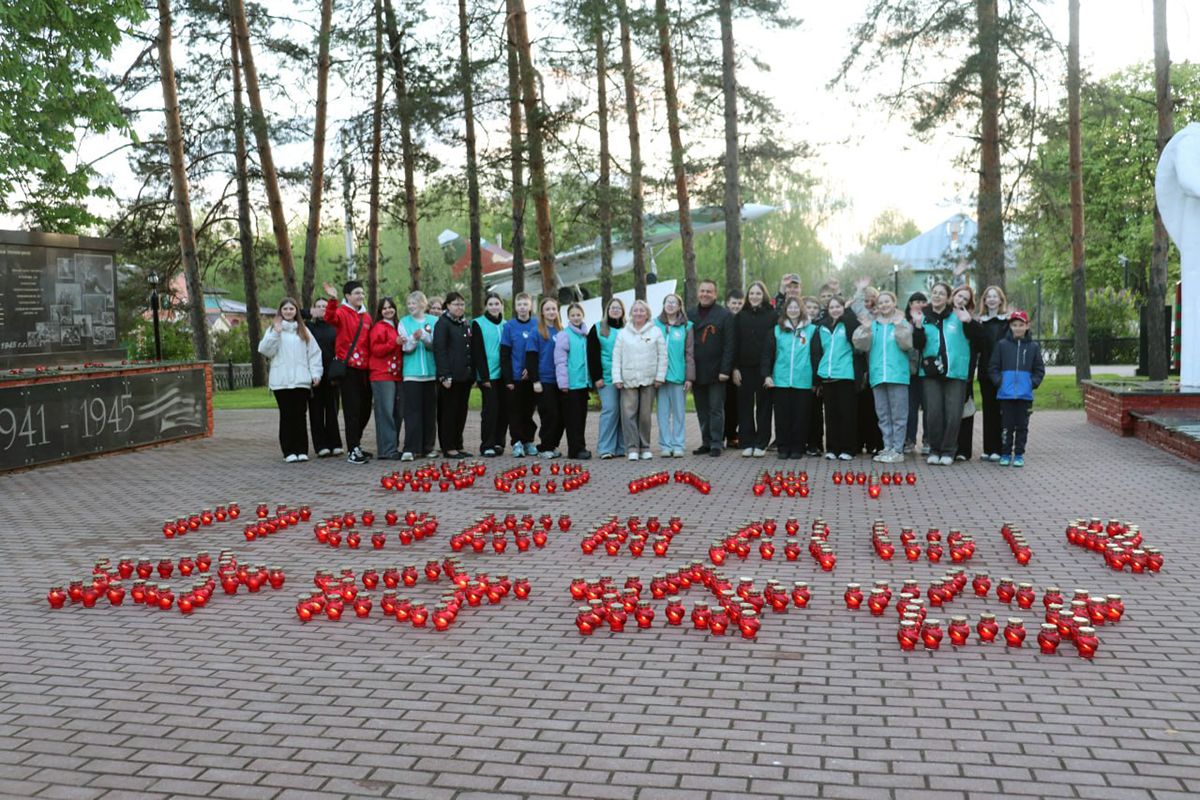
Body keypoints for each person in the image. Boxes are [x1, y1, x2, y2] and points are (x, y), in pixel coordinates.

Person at [912, 281, 981, 466]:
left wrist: (969, 322)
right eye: (934, 292)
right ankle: (934, 450)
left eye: (941, 293)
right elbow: (917, 345)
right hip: (930, 372)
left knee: (953, 414)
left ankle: (949, 451)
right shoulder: (923, 317)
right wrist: (918, 327)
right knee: (933, 413)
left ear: (947, 297)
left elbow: (979, 341)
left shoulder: (958, 315)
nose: (937, 296)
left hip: (956, 372)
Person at [258, 297, 323, 462]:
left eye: (291, 309)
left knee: (300, 416)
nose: (288, 312)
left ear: (296, 312)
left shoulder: (303, 331)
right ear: (280, 311)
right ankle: (289, 451)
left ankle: (302, 450)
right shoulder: (274, 330)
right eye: (285, 309)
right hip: (281, 382)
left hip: (301, 381)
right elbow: (265, 350)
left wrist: (316, 373)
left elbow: (314, 354)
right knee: (287, 416)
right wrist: (275, 333)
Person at [853, 290, 913, 463]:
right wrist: (865, 329)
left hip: (897, 375)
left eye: (887, 301)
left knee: (899, 415)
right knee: (883, 414)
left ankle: (898, 449)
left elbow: (907, 344)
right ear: (877, 306)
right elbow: (861, 345)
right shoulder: (873, 324)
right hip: (878, 374)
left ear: (894, 303)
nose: (884, 305)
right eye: (881, 303)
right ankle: (887, 447)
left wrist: (899, 326)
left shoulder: (902, 323)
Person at [761, 296, 821, 459]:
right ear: (785, 310)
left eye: (796, 307)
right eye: (790, 307)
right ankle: (783, 447)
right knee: (782, 417)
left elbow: (815, 356)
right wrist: (767, 375)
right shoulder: (776, 330)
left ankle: (797, 447)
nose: (793, 310)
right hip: (781, 380)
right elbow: (768, 355)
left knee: (800, 417)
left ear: (801, 309)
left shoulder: (812, 330)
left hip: (803, 381)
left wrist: (816, 381)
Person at [322, 280, 373, 464]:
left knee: (365, 409)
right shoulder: (342, 312)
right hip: (349, 368)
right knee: (352, 410)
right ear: (348, 296)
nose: (360, 296)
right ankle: (352, 449)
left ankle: (356, 444)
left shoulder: (366, 317)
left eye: (362, 292)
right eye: (357, 293)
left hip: (365, 369)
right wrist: (332, 300)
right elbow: (329, 318)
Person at [987, 310, 1044, 467]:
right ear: (1010, 326)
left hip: (1024, 396)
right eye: (1014, 325)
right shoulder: (1002, 346)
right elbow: (993, 367)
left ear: (1027, 326)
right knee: (1006, 426)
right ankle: (1005, 453)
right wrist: (1001, 383)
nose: (1018, 328)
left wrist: (1031, 384)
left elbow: (1039, 370)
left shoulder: (1033, 347)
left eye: (1021, 325)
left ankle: (1019, 454)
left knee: (1022, 426)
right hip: (1006, 395)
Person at [612, 299, 666, 460]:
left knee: (644, 416)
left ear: (647, 313)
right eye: (635, 310)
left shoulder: (655, 331)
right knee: (628, 415)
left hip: (649, 379)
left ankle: (645, 446)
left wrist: (659, 376)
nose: (638, 313)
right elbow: (617, 357)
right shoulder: (623, 333)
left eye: (642, 310)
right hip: (628, 380)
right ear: (631, 313)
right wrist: (617, 377)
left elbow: (662, 356)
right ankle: (632, 448)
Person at [688, 279, 735, 456]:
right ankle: (705, 442)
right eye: (702, 291)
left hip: (717, 370)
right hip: (697, 370)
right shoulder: (690, 314)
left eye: (709, 291)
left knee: (716, 408)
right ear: (698, 293)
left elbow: (729, 345)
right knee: (701, 409)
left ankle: (717, 443)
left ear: (715, 294)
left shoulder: (724, 315)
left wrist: (725, 370)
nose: (705, 294)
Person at [732, 281, 775, 457]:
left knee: (764, 407)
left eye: (758, 293)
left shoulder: (772, 316)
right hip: (744, 368)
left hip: (764, 369)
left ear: (763, 295)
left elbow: (774, 344)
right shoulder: (740, 316)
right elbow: (734, 343)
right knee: (745, 406)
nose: (755, 297)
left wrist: (769, 372)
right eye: (751, 294)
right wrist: (734, 368)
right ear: (747, 297)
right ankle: (747, 441)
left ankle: (761, 442)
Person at [817, 295, 861, 460]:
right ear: (828, 310)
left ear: (843, 308)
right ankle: (832, 448)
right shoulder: (822, 327)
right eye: (832, 307)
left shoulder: (848, 323)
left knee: (846, 414)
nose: (835, 310)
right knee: (831, 414)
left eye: (838, 307)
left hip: (845, 375)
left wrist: (848, 312)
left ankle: (848, 449)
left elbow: (855, 336)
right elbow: (819, 351)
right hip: (827, 376)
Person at [397, 291, 438, 461]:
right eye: (409, 304)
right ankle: (411, 448)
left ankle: (428, 447)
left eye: (414, 303)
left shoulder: (434, 321)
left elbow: (435, 344)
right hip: (412, 375)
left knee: (430, 413)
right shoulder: (404, 322)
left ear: (422, 304)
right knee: (412, 413)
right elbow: (405, 347)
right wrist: (414, 338)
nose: (411, 307)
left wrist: (426, 338)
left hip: (430, 373)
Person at [433, 292, 474, 458]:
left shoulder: (464, 323)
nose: (460, 308)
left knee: (461, 412)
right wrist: (444, 375)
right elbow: (440, 350)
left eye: (462, 304)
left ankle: (458, 443)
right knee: (448, 412)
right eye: (456, 304)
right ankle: (448, 446)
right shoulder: (443, 324)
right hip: (450, 377)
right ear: (448, 306)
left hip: (464, 376)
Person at [655, 293, 695, 458]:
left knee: (679, 413)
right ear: (663, 305)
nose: (670, 305)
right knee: (662, 413)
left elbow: (689, 353)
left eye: (674, 303)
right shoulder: (655, 324)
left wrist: (689, 377)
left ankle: (678, 444)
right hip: (660, 377)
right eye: (667, 302)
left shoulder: (687, 326)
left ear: (679, 307)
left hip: (678, 377)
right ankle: (665, 445)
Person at [500, 292, 539, 457]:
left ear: (530, 306)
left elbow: (540, 351)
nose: (522, 307)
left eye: (525, 304)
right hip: (515, 378)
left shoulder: (537, 325)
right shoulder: (509, 326)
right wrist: (508, 378)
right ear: (515, 307)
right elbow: (505, 354)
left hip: (531, 377)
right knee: (515, 411)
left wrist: (531, 370)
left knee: (528, 412)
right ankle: (516, 442)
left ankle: (528, 441)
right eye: (519, 305)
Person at [587, 297, 626, 459]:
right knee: (610, 409)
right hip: (606, 377)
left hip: (625, 378)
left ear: (623, 311)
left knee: (624, 412)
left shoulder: (628, 328)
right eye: (612, 308)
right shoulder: (597, 328)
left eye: (618, 308)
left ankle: (621, 447)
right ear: (607, 310)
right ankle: (605, 448)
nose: (615, 310)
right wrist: (597, 377)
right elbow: (592, 354)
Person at [554, 302, 593, 459]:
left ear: (583, 316)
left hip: (583, 384)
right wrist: (563, 383)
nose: (576, 318)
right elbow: (560, 361)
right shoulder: (565, 335)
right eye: (572, 315)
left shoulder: (585, 335)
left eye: (578, 315)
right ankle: (575, 449)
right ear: (568, 317)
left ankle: (581, 447)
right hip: (570, 385)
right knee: (573, 419)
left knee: (581, 418)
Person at [471, 292, 507, 457]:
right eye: (491, 304)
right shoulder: (478, 323)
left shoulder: (506, 324)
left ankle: (499, 442)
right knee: (490, 411)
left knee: (503, 411)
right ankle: (487, 445)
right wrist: (483, 377)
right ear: (486, 306)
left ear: (501, 305)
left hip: (504, 375)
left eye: (497, 303)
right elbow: (477, 351)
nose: (494, 307)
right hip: (488, 375)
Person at [976, 285, 1010, 461]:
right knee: (988, 410)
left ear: (1001, 300)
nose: (991, 299)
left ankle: (999, 448)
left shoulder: (1007, 323)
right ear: (984, 301)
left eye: (995, 296)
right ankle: (988, 448)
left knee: (1000, 410)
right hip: (984, 372)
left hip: (1002, 373)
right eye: (988, 296)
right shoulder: (981, 323)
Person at [367, 297, 403, 460]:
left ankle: (392, 447)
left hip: (396, 375)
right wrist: (393, 343)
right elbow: (375, 350)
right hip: (381, 374)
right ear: (380, 312)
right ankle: (386, 450)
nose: (388, 310)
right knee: (385, 413)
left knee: (397, 412)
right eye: (384, 308)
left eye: (391, 307)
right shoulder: (379, 328)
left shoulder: (397, 325)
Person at [306, 297, 342, 457]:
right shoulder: (308, 327)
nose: (322, 309)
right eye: (318, 306)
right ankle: (321, 445)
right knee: (316, 411)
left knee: (333, 410)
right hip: (314, 375)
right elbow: (295, 314)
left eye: (324, 306)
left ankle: (335, 443)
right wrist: (309, 313)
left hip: (332, 374)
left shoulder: (335, 326)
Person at [532, 297, 564, 458]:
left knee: (560, 415)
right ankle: (544, 447)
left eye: (554, 309)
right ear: (542, 313)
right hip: (544, 380)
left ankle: (552, 445)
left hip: (560, 380)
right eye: (548, 309)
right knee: (549, 414)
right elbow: (531, 358)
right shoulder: (536, 332)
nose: (551, 312)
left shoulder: (561, 331)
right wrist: (535, 380)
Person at [951, 284, 980, 461]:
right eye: (959, 296)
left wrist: (969, 322)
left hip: (963, 371)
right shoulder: (945, 315)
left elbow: (978, 341)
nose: (960, 300)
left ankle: (964, 449)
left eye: (965, 299)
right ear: (953, 295)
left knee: (965, 410)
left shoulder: (968, 319)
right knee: (949, 411)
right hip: (945, 370)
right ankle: (948, 446)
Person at [904, 291, 929, 454]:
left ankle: (928, 440)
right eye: (915, 301)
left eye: (922, 301)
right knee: (910, 409)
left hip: (927, 371)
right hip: (910, 372)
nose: (919, 304)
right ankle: (909, 440)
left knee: (928, 408)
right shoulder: (904, 322)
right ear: (910, 304)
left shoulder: (931, 321)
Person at [802, 295, 825, 455]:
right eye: (808, 307)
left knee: (816, 413)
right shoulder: (800, 327)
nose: (811, 310)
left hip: (815, 376)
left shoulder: (820, 328)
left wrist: (817, 380)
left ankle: (815, 443)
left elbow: (818, 355)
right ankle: (804, 441)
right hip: (800, 376)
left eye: (815, 308)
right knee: (803, 412)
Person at [723, 289, 744, 449]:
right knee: (724, 403)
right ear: (727, 303)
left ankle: (732, 434)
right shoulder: (724, 319)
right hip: (724, 367)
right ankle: (724, 434)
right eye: (733, 303)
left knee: (736, 404)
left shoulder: (743, 320)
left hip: (739, 367)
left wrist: (736, 367)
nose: (736, 306)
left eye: (739, 303)